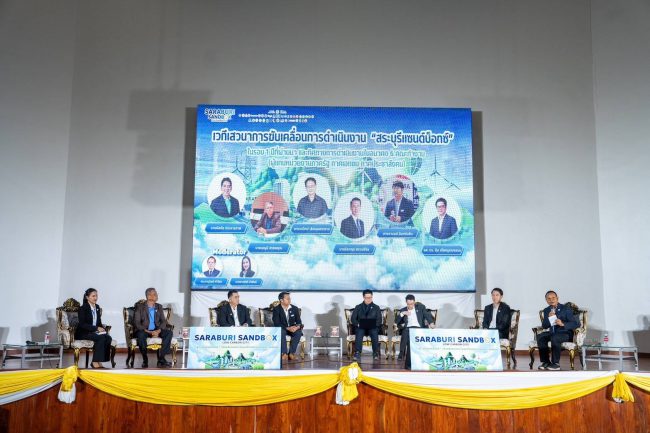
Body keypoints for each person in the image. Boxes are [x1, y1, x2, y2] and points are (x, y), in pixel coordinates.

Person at [536, 290, 580, 370]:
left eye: (553, 298)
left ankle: (555, 364)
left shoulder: (565, 309)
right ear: (546, 300)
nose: (551, 300)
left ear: (557, 298)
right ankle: (546, 362)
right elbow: (544, 326)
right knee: (540, 336)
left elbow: (576, 324)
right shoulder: (546, 310)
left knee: (555, 337)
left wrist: (563, 323)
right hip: (552, 332)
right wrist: (549, 318)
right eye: (549, 299)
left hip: (565, 333)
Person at [133, 287, 173, 368]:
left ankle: (161, 359)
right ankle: (145, 359)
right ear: (149, 296)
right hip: (144, 330)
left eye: (156, 294)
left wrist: (158, 331)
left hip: (156, 330)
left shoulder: (159, 306)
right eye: (155, 294)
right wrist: (149, 332)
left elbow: (163, 321)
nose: (157, 296)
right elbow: (137, 323)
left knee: (169, 333)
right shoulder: (140, 307)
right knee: (141, 335)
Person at [75, 288, 113, 368]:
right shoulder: (83, 308)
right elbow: (82, 324)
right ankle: (94, 362)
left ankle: (100, 361)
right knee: (101, 338)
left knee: (108, 337)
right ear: (87, 297)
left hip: (93, 332)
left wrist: (101, 328)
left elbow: (98, 322)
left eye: (96, 296)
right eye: (93, 296)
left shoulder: (97, 307)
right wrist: (96, 328)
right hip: (83, 333)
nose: (95, 298)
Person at [395, 294, 435, 367]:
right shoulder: (403, 310)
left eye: (411, 304)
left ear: (414, 302)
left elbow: (427, 315)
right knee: (405, 335)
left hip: (418, 328)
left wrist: (431, 323)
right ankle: (402, 354)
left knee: (412, 339)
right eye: (408, 304)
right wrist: (402, 314)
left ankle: (419, 358)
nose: (410, 306)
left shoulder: (420, 307)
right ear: (406, 302)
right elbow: (396, 321)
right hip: (408, 328)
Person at [351, 289, 383, 361]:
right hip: (361, 327)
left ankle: (375, 353)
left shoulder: (376, 307)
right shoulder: (358, 307)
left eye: (370, 297)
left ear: (372, 297)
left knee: (374, 331)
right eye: (367, 298)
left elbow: (379, 320)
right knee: (359, 331)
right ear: (363, 297)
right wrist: (358, 324)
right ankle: (357, 352)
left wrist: (373, 325)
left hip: (372, 327)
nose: (368, 299)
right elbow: (353, 319)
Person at [272, 291, 304, 360]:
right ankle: (284, 353)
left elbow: (299, 322)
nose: (289, 300)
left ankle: (291, 353)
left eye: (290, 298)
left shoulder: (294, 308)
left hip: (292, 328)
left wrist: (296, 327)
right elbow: (276, 323)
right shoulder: (276, 309)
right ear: (281, 300)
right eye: (287, 298)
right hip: (283, 328)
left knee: (298, 332)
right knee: (281, 332)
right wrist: (287, 328)